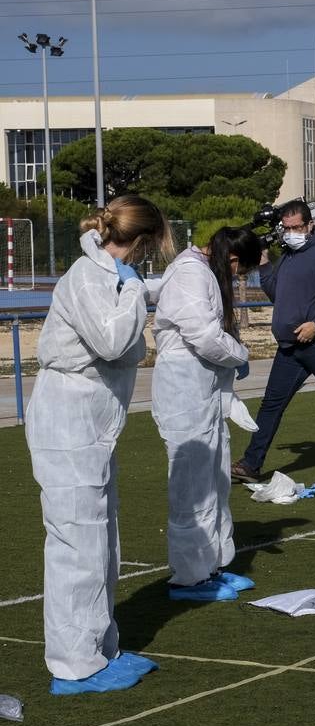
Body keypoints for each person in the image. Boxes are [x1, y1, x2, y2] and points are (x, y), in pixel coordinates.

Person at [26, 195, 174, 694]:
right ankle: (73, 663)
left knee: (98, 541)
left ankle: (97, 647)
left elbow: (128, 348)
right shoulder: (91, 278)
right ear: (143, 241)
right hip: (68, 420)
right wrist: (134, 295)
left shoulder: (105, 276)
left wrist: (129, 296)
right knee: (76, 542)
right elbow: (115, 343)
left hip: (90, 422)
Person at [152, 225, 264, 602]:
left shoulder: (205, 273)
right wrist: (239, 354)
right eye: (240, 270)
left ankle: (212, 565)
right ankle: (189, 577)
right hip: (184, 387)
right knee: (192, 485)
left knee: (215, 477)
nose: (239, 277)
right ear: (231, 258)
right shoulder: (189, 272)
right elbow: (202, 335)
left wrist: (232, 355)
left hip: (205, 387)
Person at [232, 199, 315, 482]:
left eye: (296, 227)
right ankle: (251, 464)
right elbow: (276, 293)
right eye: (286, 228)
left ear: (310, 225)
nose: (291, 232)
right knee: (271, 405)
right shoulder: (288, 256)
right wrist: (264, 263)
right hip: (290, 349)